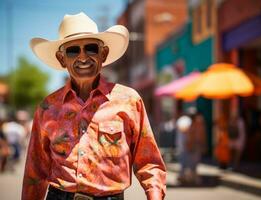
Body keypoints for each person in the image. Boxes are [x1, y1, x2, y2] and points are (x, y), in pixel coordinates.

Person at [22, 13, 166, 200]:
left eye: (91, 48)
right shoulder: (48, 107)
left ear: (103, 54)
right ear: (62, 58)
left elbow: (150, 163)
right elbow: (36, 170)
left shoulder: (129, 100)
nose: (83, 57)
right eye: (73, 51)